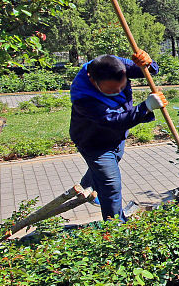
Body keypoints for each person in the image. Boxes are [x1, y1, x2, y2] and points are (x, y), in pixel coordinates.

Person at [69, 52, 166, 221]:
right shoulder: (83, 97)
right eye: (112, 90)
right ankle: (116, 229)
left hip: (117, 138)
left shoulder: (115, 65)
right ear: (94, 82)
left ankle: (87, 185)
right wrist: (146, 107)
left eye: (121, 88)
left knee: (111, 164)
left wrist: (147, 64)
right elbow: (113, 121)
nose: (118, 92)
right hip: (94, 142)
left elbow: (146, 71)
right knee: (111, 185)